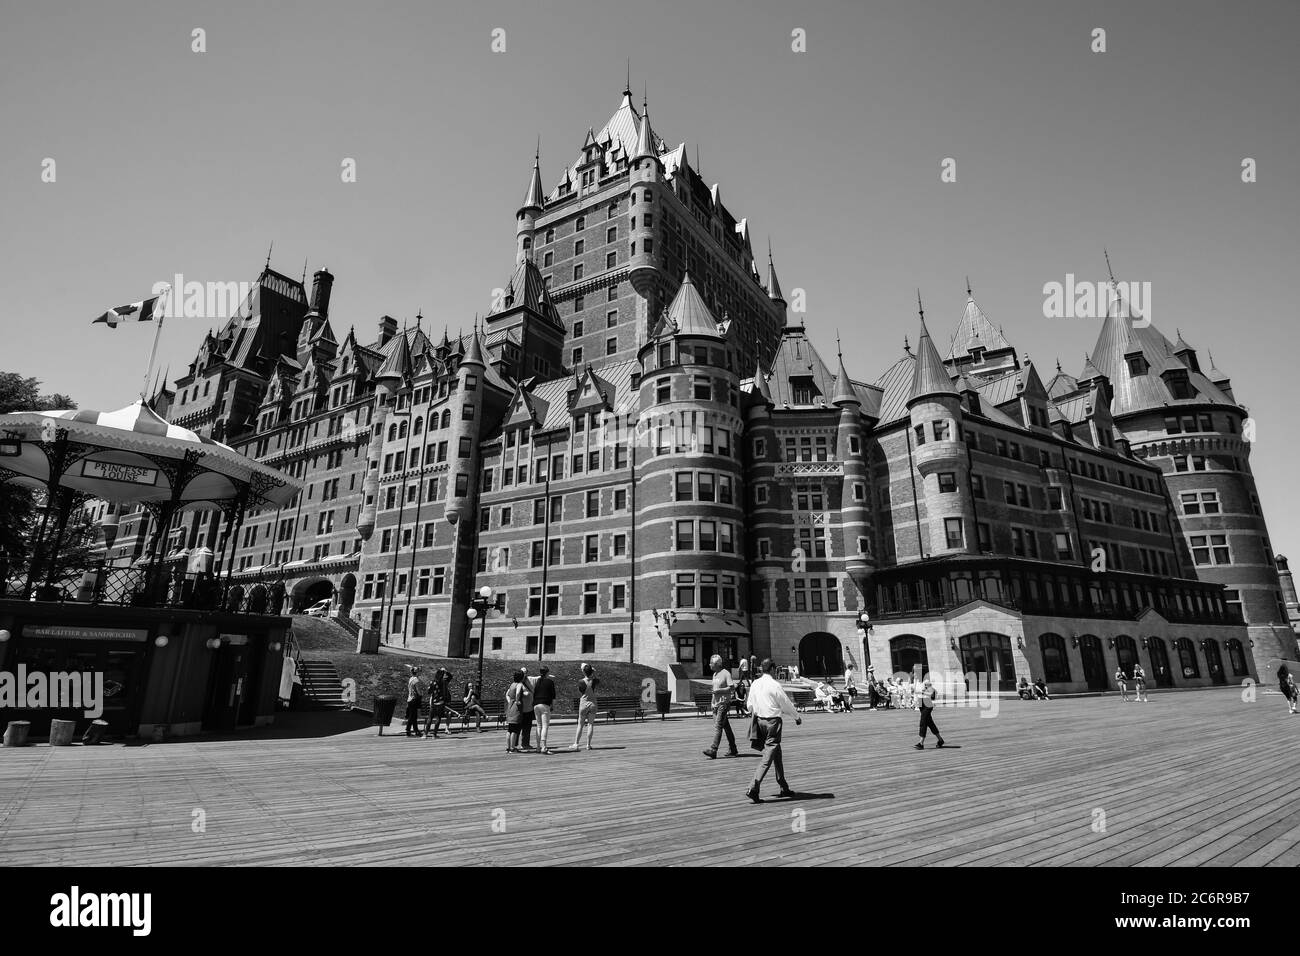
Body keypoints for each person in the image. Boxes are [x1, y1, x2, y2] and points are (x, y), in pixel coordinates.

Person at [745, 658, 800, 803]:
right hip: (773, 722)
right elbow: (785, 702)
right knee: (768, 755)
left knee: (776, 752)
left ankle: (783, 786)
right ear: (772, 669)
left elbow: (749, 705)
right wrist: (796, 716)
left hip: (759, 721)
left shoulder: (755, 683)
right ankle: (753, 787)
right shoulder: (775, 685)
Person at [702, 654, 740, 759]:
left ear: (717, 664)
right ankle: (733, 749)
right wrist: (712, 702)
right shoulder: (714, 675)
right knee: (726, 727)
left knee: (718, 726)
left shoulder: (725, 673)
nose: (709, 665)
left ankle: (713, 750)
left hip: (724, 703)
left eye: (711, 663)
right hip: (716, 704)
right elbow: (714, 690)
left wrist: (720, 691)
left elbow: (731, 688)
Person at [570, 663, 599, 751]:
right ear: (591, 672)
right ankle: (588, 745)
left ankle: (576, 744)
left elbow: (581, 691)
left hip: (584, 703)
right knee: (590, 724)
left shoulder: (581, 681)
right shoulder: (594, 681)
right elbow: (596, 679)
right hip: (593, 704)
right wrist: (594, 672)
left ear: (584, 672)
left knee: (580, 724)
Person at [424, 667, 457, 738]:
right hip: (441, 702)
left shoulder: (433, 682)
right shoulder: (444, 682)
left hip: (434, 702)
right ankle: (434, 734)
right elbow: (450, 676)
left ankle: (425, 734)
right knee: (438, 718)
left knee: (430, 718)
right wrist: (445, 671)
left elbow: (429, 692)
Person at [532, 664, 557, 754]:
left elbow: (534, 693)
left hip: (536, 705)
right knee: (545, 726)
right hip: (544, 705)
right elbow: (553, 696)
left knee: (538, 726)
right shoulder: (550, 682)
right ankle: (544, 747)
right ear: (547, 673)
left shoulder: (537, 682)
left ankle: (538, 747)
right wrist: (552, 706)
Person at [914, 678, 945, 750]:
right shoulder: (916, 682)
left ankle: (921, 743)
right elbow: (917, 694)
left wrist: (922, 692)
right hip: (921, 704)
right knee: (930, 723)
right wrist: (915, 703)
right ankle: (940, 740)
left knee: (923, 722)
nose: (914, 674)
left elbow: (931, 693)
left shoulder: (926, 681)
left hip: (927, 704)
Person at [505, 669, 527, 753]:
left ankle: (508, 747)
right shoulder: (519, 684)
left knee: (509, 729)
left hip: (510, 707)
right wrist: (517, 701)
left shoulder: (512, 684)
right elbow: (518, 693)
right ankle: (512, 747)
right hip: (516, 708)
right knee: (515, 729)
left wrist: (510, 701)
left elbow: (507, 694)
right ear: (521, 677)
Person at [516, 665, 535, 751]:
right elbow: (509, 694)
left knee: (527, 727)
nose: (524, 674)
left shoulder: (529, 681)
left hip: (529, 709)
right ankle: (515, 744)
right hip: (521, 709)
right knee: (518, 727)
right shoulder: (517, 683)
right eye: (523, 673)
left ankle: (525, 744)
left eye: (525, 673)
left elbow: (538, 677)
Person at [404, 666, 424, 737]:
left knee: (413, 716)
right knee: (413, 716)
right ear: (417, 672)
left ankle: (414, 730)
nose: (420, 672)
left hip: (410, 698)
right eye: (419, 671)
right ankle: (409, 729)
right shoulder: (416, 680)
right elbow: (418, 691)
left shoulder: (411, 679)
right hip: (414, 699)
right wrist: (422, 693)